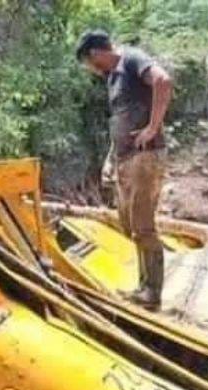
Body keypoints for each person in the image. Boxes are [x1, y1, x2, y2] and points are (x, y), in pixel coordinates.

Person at [77, 30, 173, 309]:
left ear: (96, 54)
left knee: (143, 225)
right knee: (130, 224)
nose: (92, 70)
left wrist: (153, 128)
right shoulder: (113, 78)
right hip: (125, 158)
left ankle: (152, 292)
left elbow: (163, 81)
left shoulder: (132, 59)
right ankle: (144, 286)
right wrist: (111, 157)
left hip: (145, 156)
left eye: (89, 63)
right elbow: (120, 120)